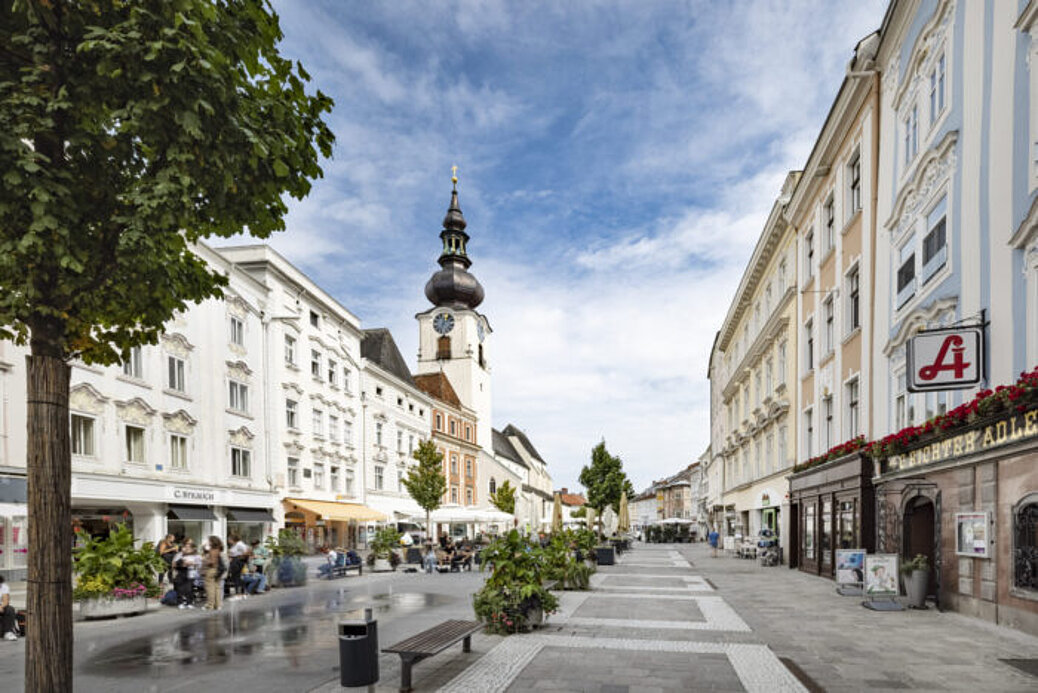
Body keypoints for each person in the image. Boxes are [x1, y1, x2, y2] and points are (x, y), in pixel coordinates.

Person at [172, 540, 201, 609]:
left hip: (191, 573)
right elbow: (173, 564)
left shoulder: (196, 556)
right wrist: (181, 563)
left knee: (189, 589)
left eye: (189, 547)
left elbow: (200, 564)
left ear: (192, 548)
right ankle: (181, 602)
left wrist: (192, 563)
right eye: (185, 547)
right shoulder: (179, 554)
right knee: (180, 589)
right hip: (181, 572)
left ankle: (189, 602)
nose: (187, 548)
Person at [203, 536, 225, 611]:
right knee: (217, 587)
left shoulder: (212, 550)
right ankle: (218, 605)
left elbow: (212, 562)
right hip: (218, 570)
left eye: (209, 541)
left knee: (210, 588)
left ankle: (210, 605)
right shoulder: (219, 549)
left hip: (211, 570)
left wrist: (205, 561)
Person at [0, 575, 17, 641]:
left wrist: (1, 606)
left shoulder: (4, 586)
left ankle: (8, 632)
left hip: (0, 606)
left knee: (10, 609)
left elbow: (6, 601)